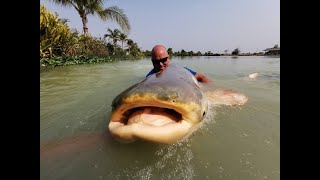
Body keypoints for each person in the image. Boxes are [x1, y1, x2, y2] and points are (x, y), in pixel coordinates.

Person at [146, 45, 211, 83]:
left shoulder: (178, 69)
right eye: (156, 62)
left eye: (163, 60)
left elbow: (200, 77)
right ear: (152, 62)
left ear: (168, 58)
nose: (160, 64)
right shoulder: (149, 77)